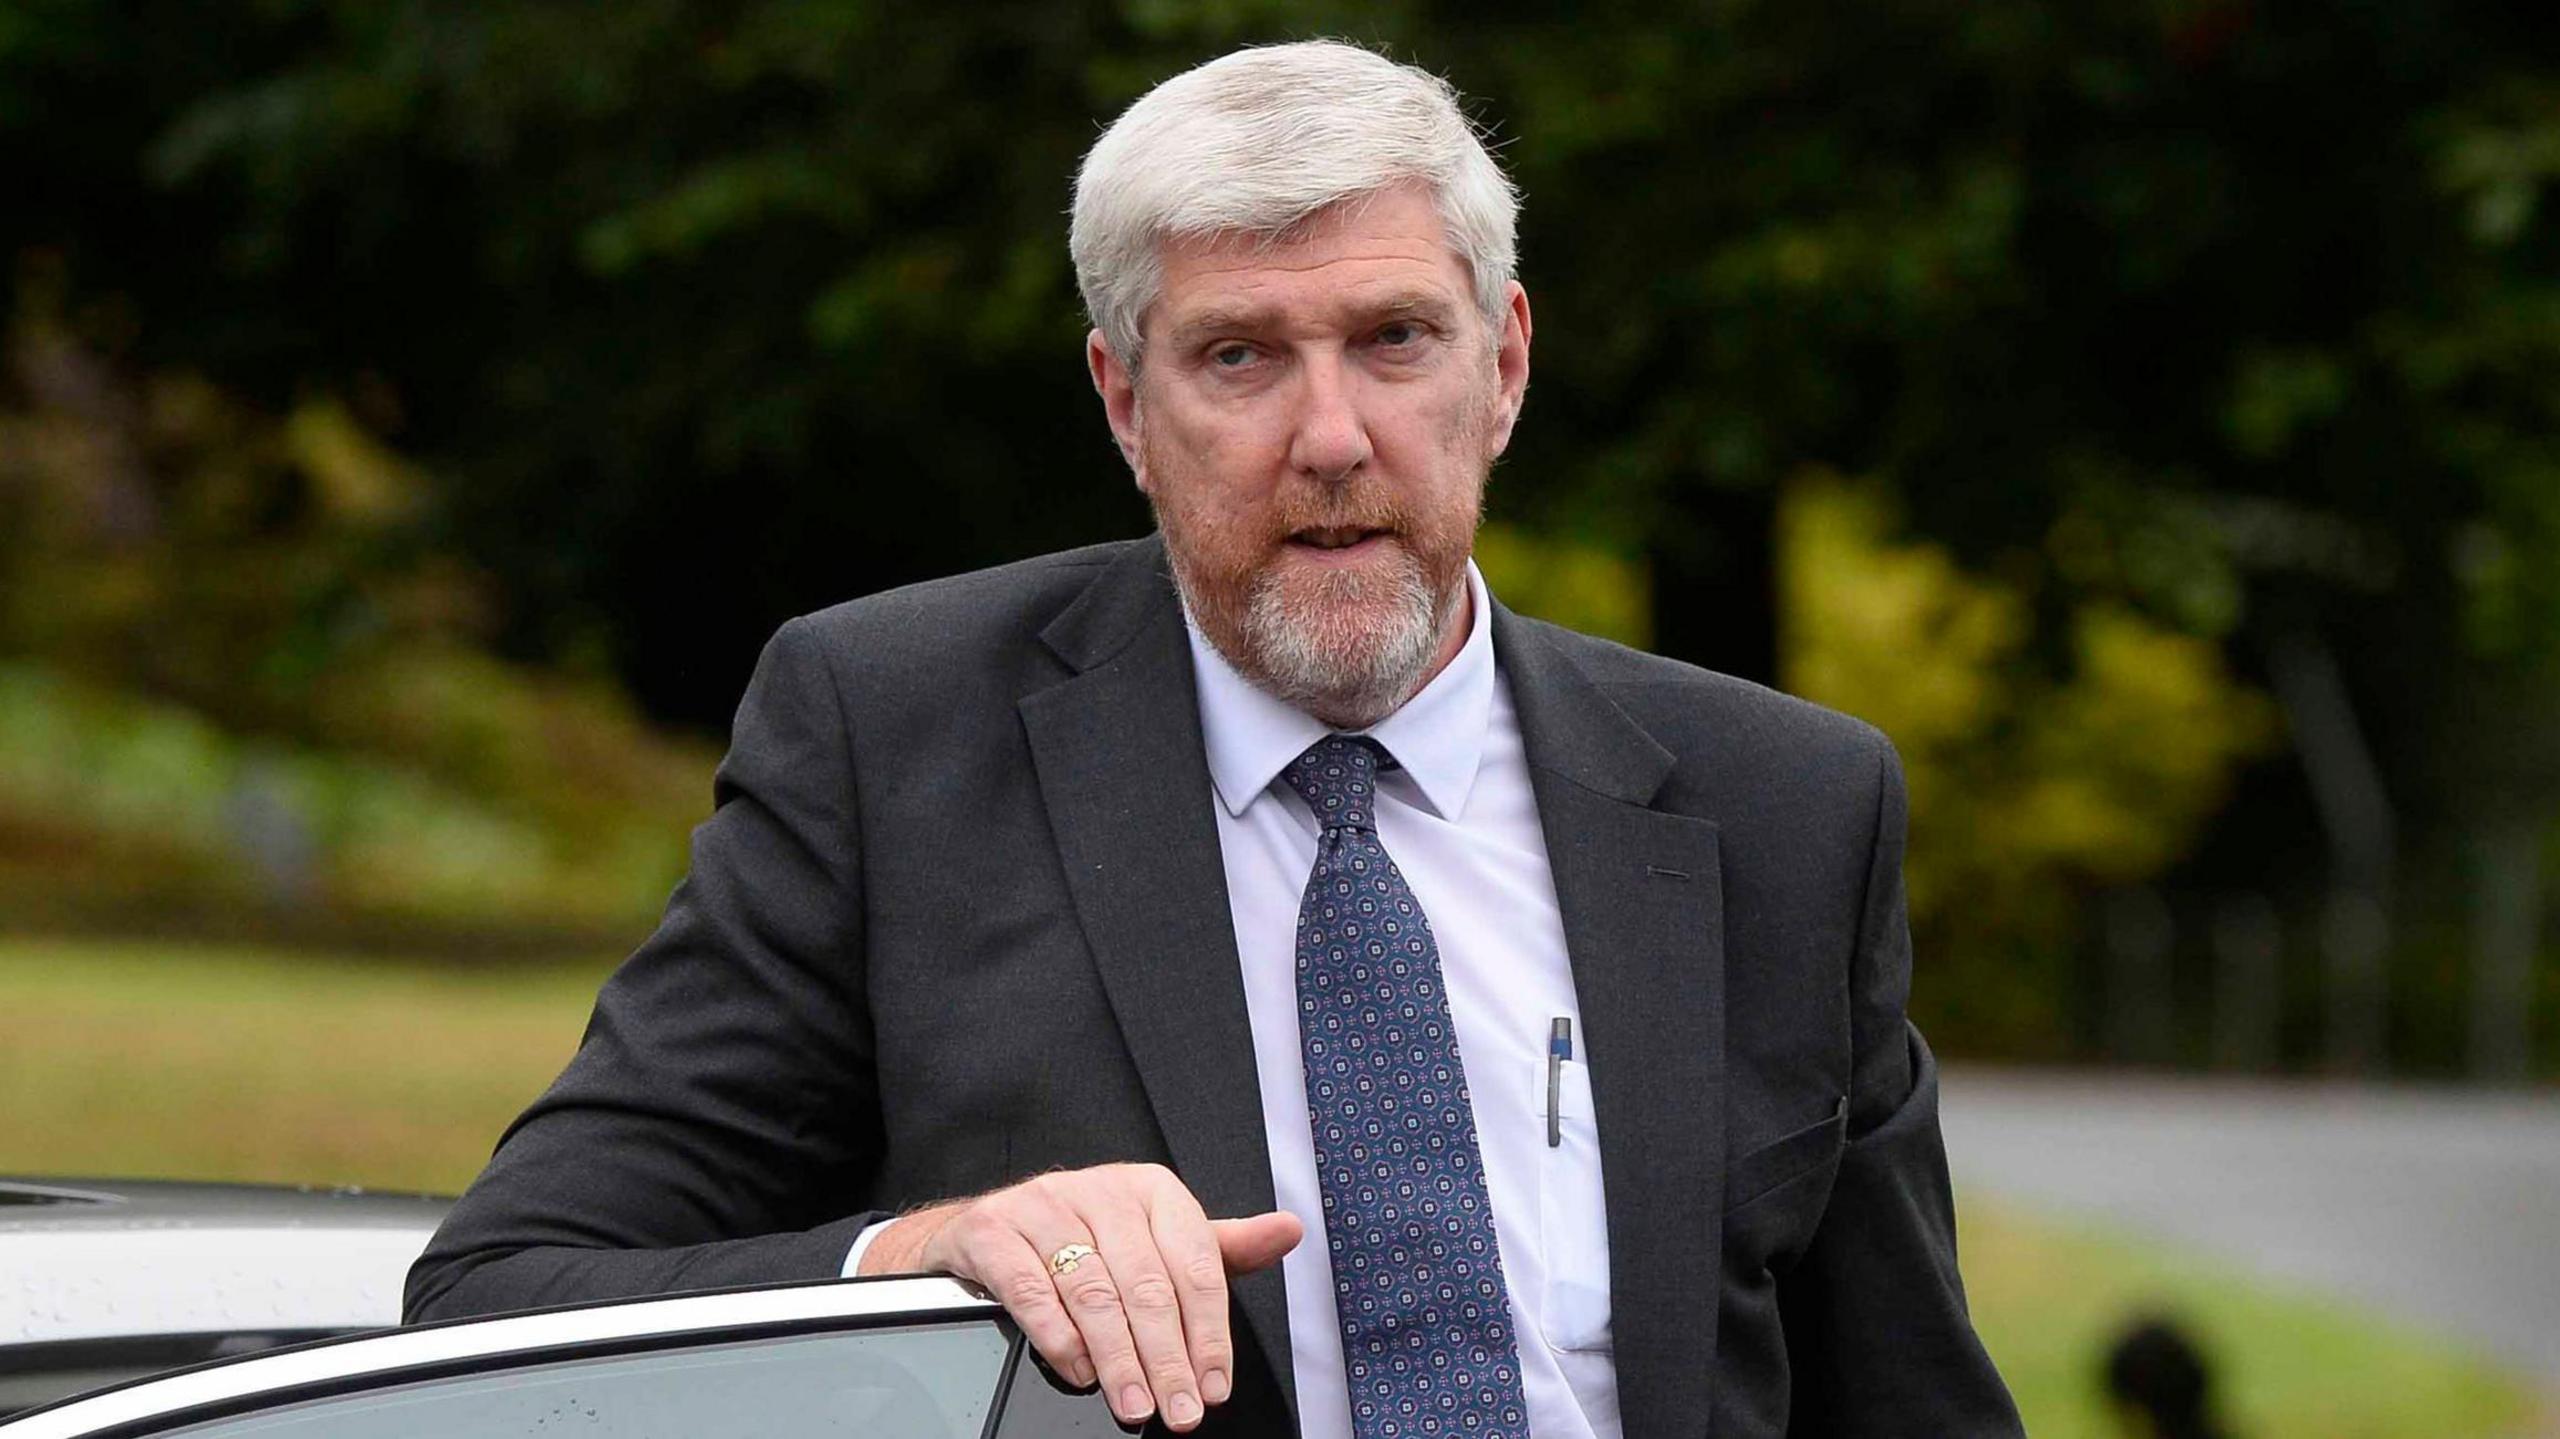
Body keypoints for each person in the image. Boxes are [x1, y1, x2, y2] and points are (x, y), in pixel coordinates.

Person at [407, 39, 2022, 1439]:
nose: (1330, 440)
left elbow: (1907, 1402)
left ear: (1505, 364)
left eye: (1396, 339)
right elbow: (499, 1298)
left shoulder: (1785, 807)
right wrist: (927, 1257)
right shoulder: (889, 743)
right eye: (1239, 356)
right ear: (1124, 403)